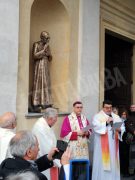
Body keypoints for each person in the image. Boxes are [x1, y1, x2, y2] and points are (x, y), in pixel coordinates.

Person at [0, 130, 70, 180]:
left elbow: (26, 167)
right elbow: (29, 170)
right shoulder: (38, 177)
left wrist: (48, 158)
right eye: (37, 146)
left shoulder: (5, 164)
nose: (39, 149)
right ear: (29, 152)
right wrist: (65, 166)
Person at [92, 100, 125, 180]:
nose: (109, 109)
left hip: (113, 146)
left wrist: (120, 129)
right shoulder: (97, 116)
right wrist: (106, 123)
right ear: (103, 107)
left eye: (110, 107)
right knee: (102, 165)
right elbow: (95, 127)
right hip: (101, 148)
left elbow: (122, 127)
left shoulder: (116, 117)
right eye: (107, 108)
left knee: (113, 163)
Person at [32, 108, 59, 179]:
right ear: (50, 118)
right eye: (55, 120)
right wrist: (58, 160)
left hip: (48, 161)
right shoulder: (40, 128)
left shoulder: (45, 125)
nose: (55, 122)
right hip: (44, 162)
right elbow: (46, 148)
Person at [32, 31, 52, 110]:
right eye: (46, 38)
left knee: (46, 83)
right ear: (42, 37)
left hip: (46, 65)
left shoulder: (48, 46)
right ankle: (36, 103)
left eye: (48, 38)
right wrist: (43, 50)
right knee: (38, 83)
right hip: (39, 66)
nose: (47, 40)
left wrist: (48, 55)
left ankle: (46, 102)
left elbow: (50, 58)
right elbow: (34, 56)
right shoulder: (36, 44)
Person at [119, 109, 130, 177]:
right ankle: (122, 171)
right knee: (121, 156)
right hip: (120, 141)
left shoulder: (128, 121)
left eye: (125, 114)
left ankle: (126, 171)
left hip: (126, 141)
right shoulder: (119, 121)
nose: (123, 116)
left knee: (127, 156)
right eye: (122, 114)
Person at [125, 104, 135, 175]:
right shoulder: (128, 117)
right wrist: (133, 131)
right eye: (131, 107)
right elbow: (127, 125)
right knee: (132, 156)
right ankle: (131, 172)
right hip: (132, 140)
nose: (132, 108)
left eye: (134, 107)